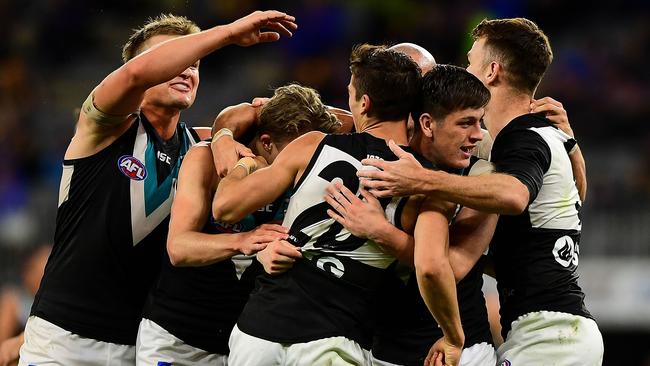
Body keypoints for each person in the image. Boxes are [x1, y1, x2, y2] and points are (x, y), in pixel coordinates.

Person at [20, 10, 297, 365]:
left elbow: (305, 122)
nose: (186, 70)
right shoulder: (102, 128)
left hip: (139, 344)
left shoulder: (202, 149)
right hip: (64, 337)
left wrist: (228, 126)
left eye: (196, 65)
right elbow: (137, 73)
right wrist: (227, 33)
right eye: (175, 59)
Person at [358, 18, 603, 365]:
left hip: (550, 336)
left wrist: (420, 183)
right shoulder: (537, 136)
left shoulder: (523, 138)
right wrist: (570, 143)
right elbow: (574, 196)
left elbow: (516, 196)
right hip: (556, 329)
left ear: (491, 71)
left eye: (470, 61)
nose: (464, 68)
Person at [212, 44, 465, 366]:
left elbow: (225, 208)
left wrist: (242, 164)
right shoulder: (426, 182)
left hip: (259, 331)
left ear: (364, 101)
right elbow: (431, 266)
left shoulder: (312, 145)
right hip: (336, 339)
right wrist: (453, 336)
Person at [135, 84, 341, 365]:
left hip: (244, 342)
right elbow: (179, 248)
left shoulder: (304, 161)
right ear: (266, 142)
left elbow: (360, 118)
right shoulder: (206, 159)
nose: (304, 163)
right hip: (178, 338)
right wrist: (243, 241)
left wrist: (252, 111)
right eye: (296, 152)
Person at [326, 64, 497, 366]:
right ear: (427, 123)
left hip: (454, 351)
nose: (477, 135)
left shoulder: (479, 176)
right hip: (381, 349)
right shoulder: (374, 158)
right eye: (466, 123)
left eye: (479, 122)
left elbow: (449, 267)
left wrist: (379, 231)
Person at [0, 245, 50, 366]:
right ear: (28, 274)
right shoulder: (14, 301)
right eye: (43, 272)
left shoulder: (61, 307)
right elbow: (4, 351)